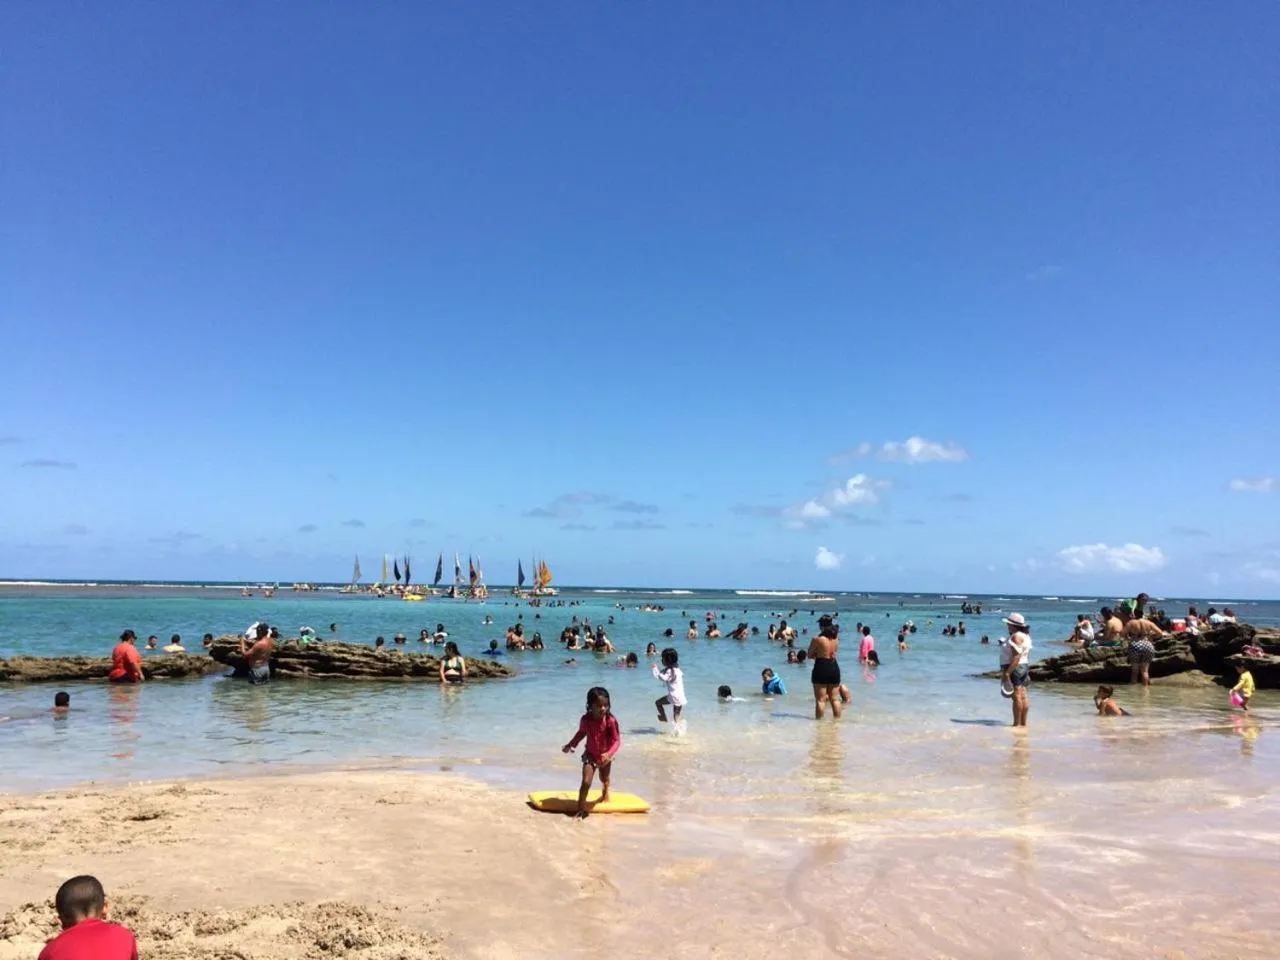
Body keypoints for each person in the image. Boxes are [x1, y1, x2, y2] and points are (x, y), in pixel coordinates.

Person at [37, 874, 138, 960]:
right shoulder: (124, 936)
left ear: (61, 919)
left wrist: (55, 945)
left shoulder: (50, 951)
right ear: (105, 907)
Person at [561, 686, 620, 819]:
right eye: (599, 706)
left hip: (605, 757)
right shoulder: (586, 720)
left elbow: (617, 740)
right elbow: (581, 733)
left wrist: (609, 754)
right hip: (590, 755)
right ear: (590, 706)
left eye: (606, 705)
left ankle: (605, 795)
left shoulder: (610, 721)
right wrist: (571, 745)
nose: (603, 709)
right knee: (586, 782)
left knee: (604, 779)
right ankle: (580, 809)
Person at [1001, 613, 1032, 727]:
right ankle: (1023, 723)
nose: (1007, 626)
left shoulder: (1015, 636)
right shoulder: (1026, 636)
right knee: (1023, 695)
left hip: (1015, 666)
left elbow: (1016, 656)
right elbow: (1025, 654)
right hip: (1023, 665)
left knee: (1017, 696)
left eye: (1009, 624)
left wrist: (1007, 673)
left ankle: (1016, 724)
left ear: (1013, 625)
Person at [808, 621, 842, 720]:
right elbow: (833, 652)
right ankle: (838, 722)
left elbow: (809, 655)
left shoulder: (817, 639)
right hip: (834, 666)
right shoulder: (836, 638)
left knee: (821, 700)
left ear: (821, 626)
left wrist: (816, 654)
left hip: (821, 666)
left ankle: (819, 724)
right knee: (835, 699)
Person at [1124, 614, 1164, 687]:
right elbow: (1160, 633)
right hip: (1147, 645)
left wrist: (1128, 638)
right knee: (1145, 671)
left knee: (1135, 670)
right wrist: (1151, 636)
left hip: (1135, 644)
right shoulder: (1149, 623)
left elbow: (1122, 633)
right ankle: (1145, 690)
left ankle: (1133, 689)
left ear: (1134, 615)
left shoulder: (1131, 622)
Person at [652, 647, 686, 723]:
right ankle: (681, 729)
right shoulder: (677, 669)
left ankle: (663, 717)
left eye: (662, 659)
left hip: (673, 696)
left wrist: (655, 669)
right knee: (676, 715)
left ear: (668, 660)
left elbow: (662, 677)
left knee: (658, 703)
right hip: (680, 696)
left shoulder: (670, 671)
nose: (661, 660)